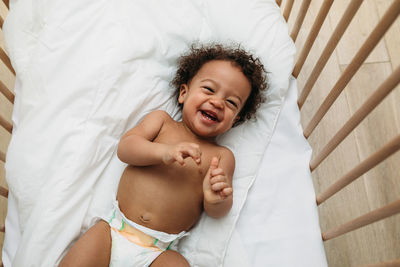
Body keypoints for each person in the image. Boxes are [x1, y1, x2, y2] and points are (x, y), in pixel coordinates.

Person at [59, 44, 267, 267]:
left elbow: (218, 212)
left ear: (235, 120)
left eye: (231, 102)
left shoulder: (222, 156)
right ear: (183, 93)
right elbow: (126, 149)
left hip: (159, 251)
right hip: (112, 231)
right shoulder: (162, 122)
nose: (217, 102)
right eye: (208, 89)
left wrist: (216, 198)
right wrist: (163, 152)